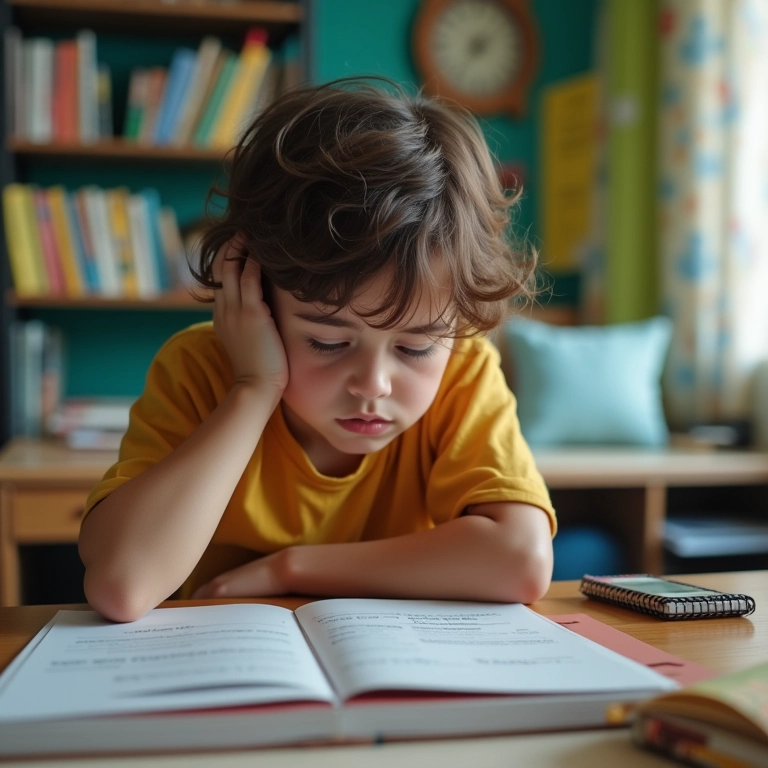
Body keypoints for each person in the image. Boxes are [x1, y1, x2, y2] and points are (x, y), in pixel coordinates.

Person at [79, 78, 556, 623]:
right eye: (328, 341)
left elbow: (521, 561)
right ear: (256, 295)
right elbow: (122, 585)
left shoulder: (464, 369)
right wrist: (254, 387)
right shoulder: (197, 370)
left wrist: (293, 568)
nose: (373, 384)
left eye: (415, 347)